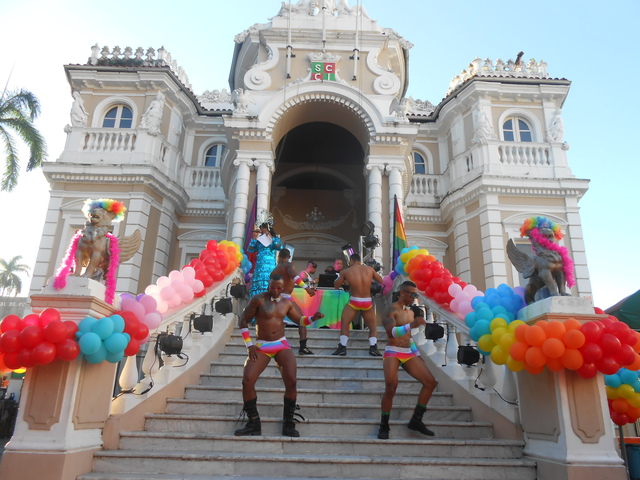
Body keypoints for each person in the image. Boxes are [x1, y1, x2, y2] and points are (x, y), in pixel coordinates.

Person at [235, 274, 324, 437]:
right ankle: (253, 422)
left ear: (283, 288)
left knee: (292, 380)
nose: (275, 290)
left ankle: (288, 423)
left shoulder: (287, 302)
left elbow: (300, 321)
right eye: (272, 287)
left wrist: (313, 318)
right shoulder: (258, 300)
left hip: (280, 344)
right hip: (262, 344)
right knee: (247, 380)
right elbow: (243, 321)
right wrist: (249, 345)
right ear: (269, 285)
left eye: (279, 288)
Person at [378, 280, 437, 439]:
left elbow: (409, 338)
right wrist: (412, 325)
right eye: (412, 294)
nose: (414, 297)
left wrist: (417, 355)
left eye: (416, 294)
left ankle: (416, 420)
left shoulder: (411, 313)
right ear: (402, 292)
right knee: (391, 387)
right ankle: (384, 425)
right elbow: (391, 333)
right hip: (393, 351)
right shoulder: (391, 309)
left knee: (430, 382)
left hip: (408, 352)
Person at [332, 252, 384, 356]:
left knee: (345, 322)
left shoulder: (346, 271)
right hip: (367, 301)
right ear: (360, 261)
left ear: (351, 261)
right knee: (373, 326)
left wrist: (345, 280)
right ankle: (373, 347)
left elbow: (336, 285)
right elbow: (381, 281)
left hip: (354, 300)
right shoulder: (370, 269)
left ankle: (343, 347)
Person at [271, 249, 317, 355]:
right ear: (289, 256)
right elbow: (295, 277)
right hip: (286, 297)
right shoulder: (288, 265)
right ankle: (303, 347)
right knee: (302, 321)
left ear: (279, 256)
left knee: (278, 321)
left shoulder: (275, 269)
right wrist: (307, 289)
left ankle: (275, 344)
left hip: (276, 298)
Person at [247, 222, 283, 298]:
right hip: (259, 266)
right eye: (261, 228)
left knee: (269, 282)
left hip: (270, 266)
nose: (261, 230)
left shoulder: (275, 239)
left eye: (263, 228)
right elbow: (250, 249)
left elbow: (280, 247)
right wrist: (255, 237)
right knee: (258, 284)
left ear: (267, 229)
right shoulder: (259, 240)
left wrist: (271, 238)